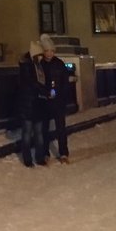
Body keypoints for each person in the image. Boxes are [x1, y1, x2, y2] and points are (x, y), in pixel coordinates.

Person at [36, 34, 72, 164]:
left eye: (51, 51)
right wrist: (45, 93)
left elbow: (65, 82)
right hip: (45, 102)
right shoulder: (40, 65)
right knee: (44, 128)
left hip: (58, 101)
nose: (49, 53)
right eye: (46, 51)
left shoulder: (59, 64)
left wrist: (60, 95)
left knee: (61, 128)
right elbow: (39, 83)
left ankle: (63, 153)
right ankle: (45, 152)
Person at [16, 41, 47, 167]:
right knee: (28, 133)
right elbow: (30, 85)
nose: (41, 56)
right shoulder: (27, 67)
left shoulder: (37, 66)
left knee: (37, 133)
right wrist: (42, 90)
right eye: (39, 54)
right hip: (29, 104)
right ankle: (28, 159)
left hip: (36, 104)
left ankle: (39, 158)